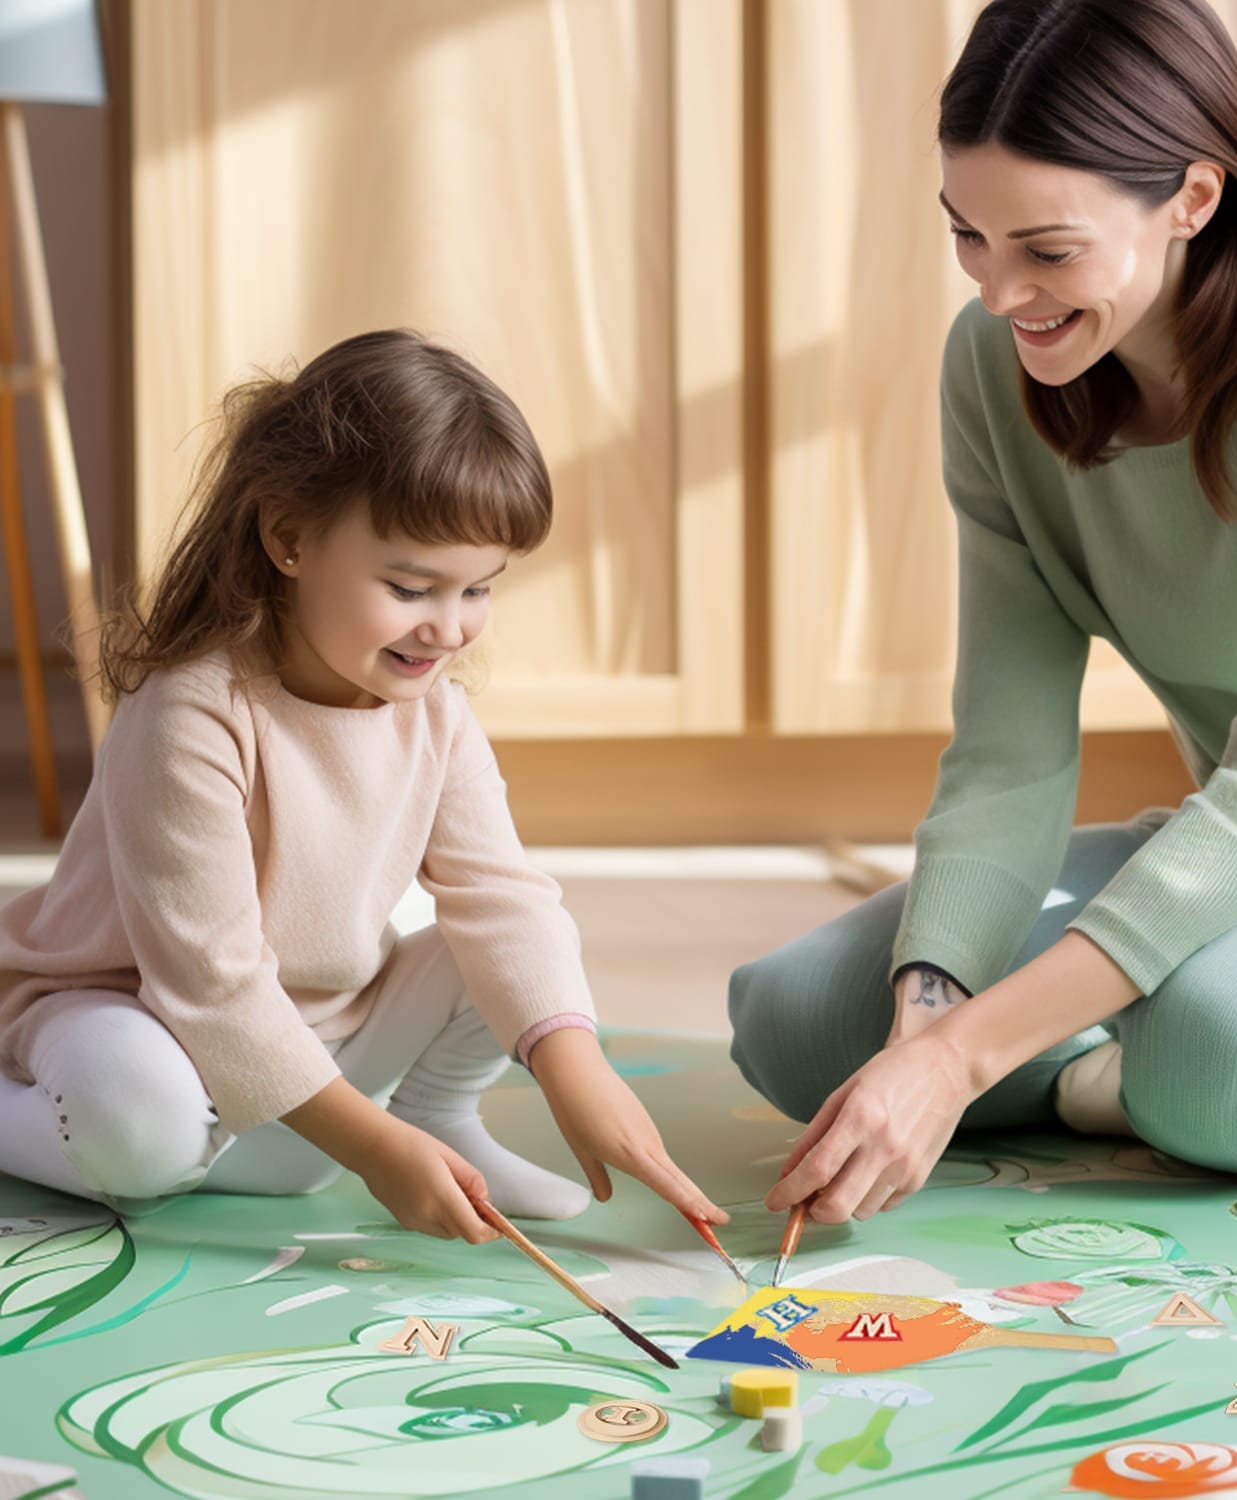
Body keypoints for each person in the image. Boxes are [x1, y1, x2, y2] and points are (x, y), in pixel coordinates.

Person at [730, 0, 1237, 1226]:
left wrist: (970, 1060)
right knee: (800, 1024)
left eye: (1046, 248)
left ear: (1194, 197)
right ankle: (1143, 1057)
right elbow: (1009, 752)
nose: (998, 293)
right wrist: (928, 1021)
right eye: (969, 239)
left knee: (1228, 1074)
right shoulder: (996, 369)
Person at [0, 329, 728, 1243]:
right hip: (137, 1011)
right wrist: (372, 1152)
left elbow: (500, 900)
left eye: (479, 590)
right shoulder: (193, 711)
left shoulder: (437, 715)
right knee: (138, 1126)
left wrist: (578, 1073)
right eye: (413, 586)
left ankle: (425, 1121)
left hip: (319, 1027)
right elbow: (212, 990)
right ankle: (258, 1143)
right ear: (290, 538)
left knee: (510, 939)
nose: (451, 629)